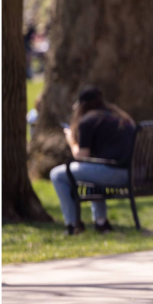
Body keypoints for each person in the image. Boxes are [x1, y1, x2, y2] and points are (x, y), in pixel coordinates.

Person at [49, 86, 136, 235]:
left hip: (112, 174)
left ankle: (72, 224)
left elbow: (81, 156)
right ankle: (101, 222)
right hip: (133, 173)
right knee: (91, 170)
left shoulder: (88, 120)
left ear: (81, 105)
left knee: (57, 174)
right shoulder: (121, 117)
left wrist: (71, 140)